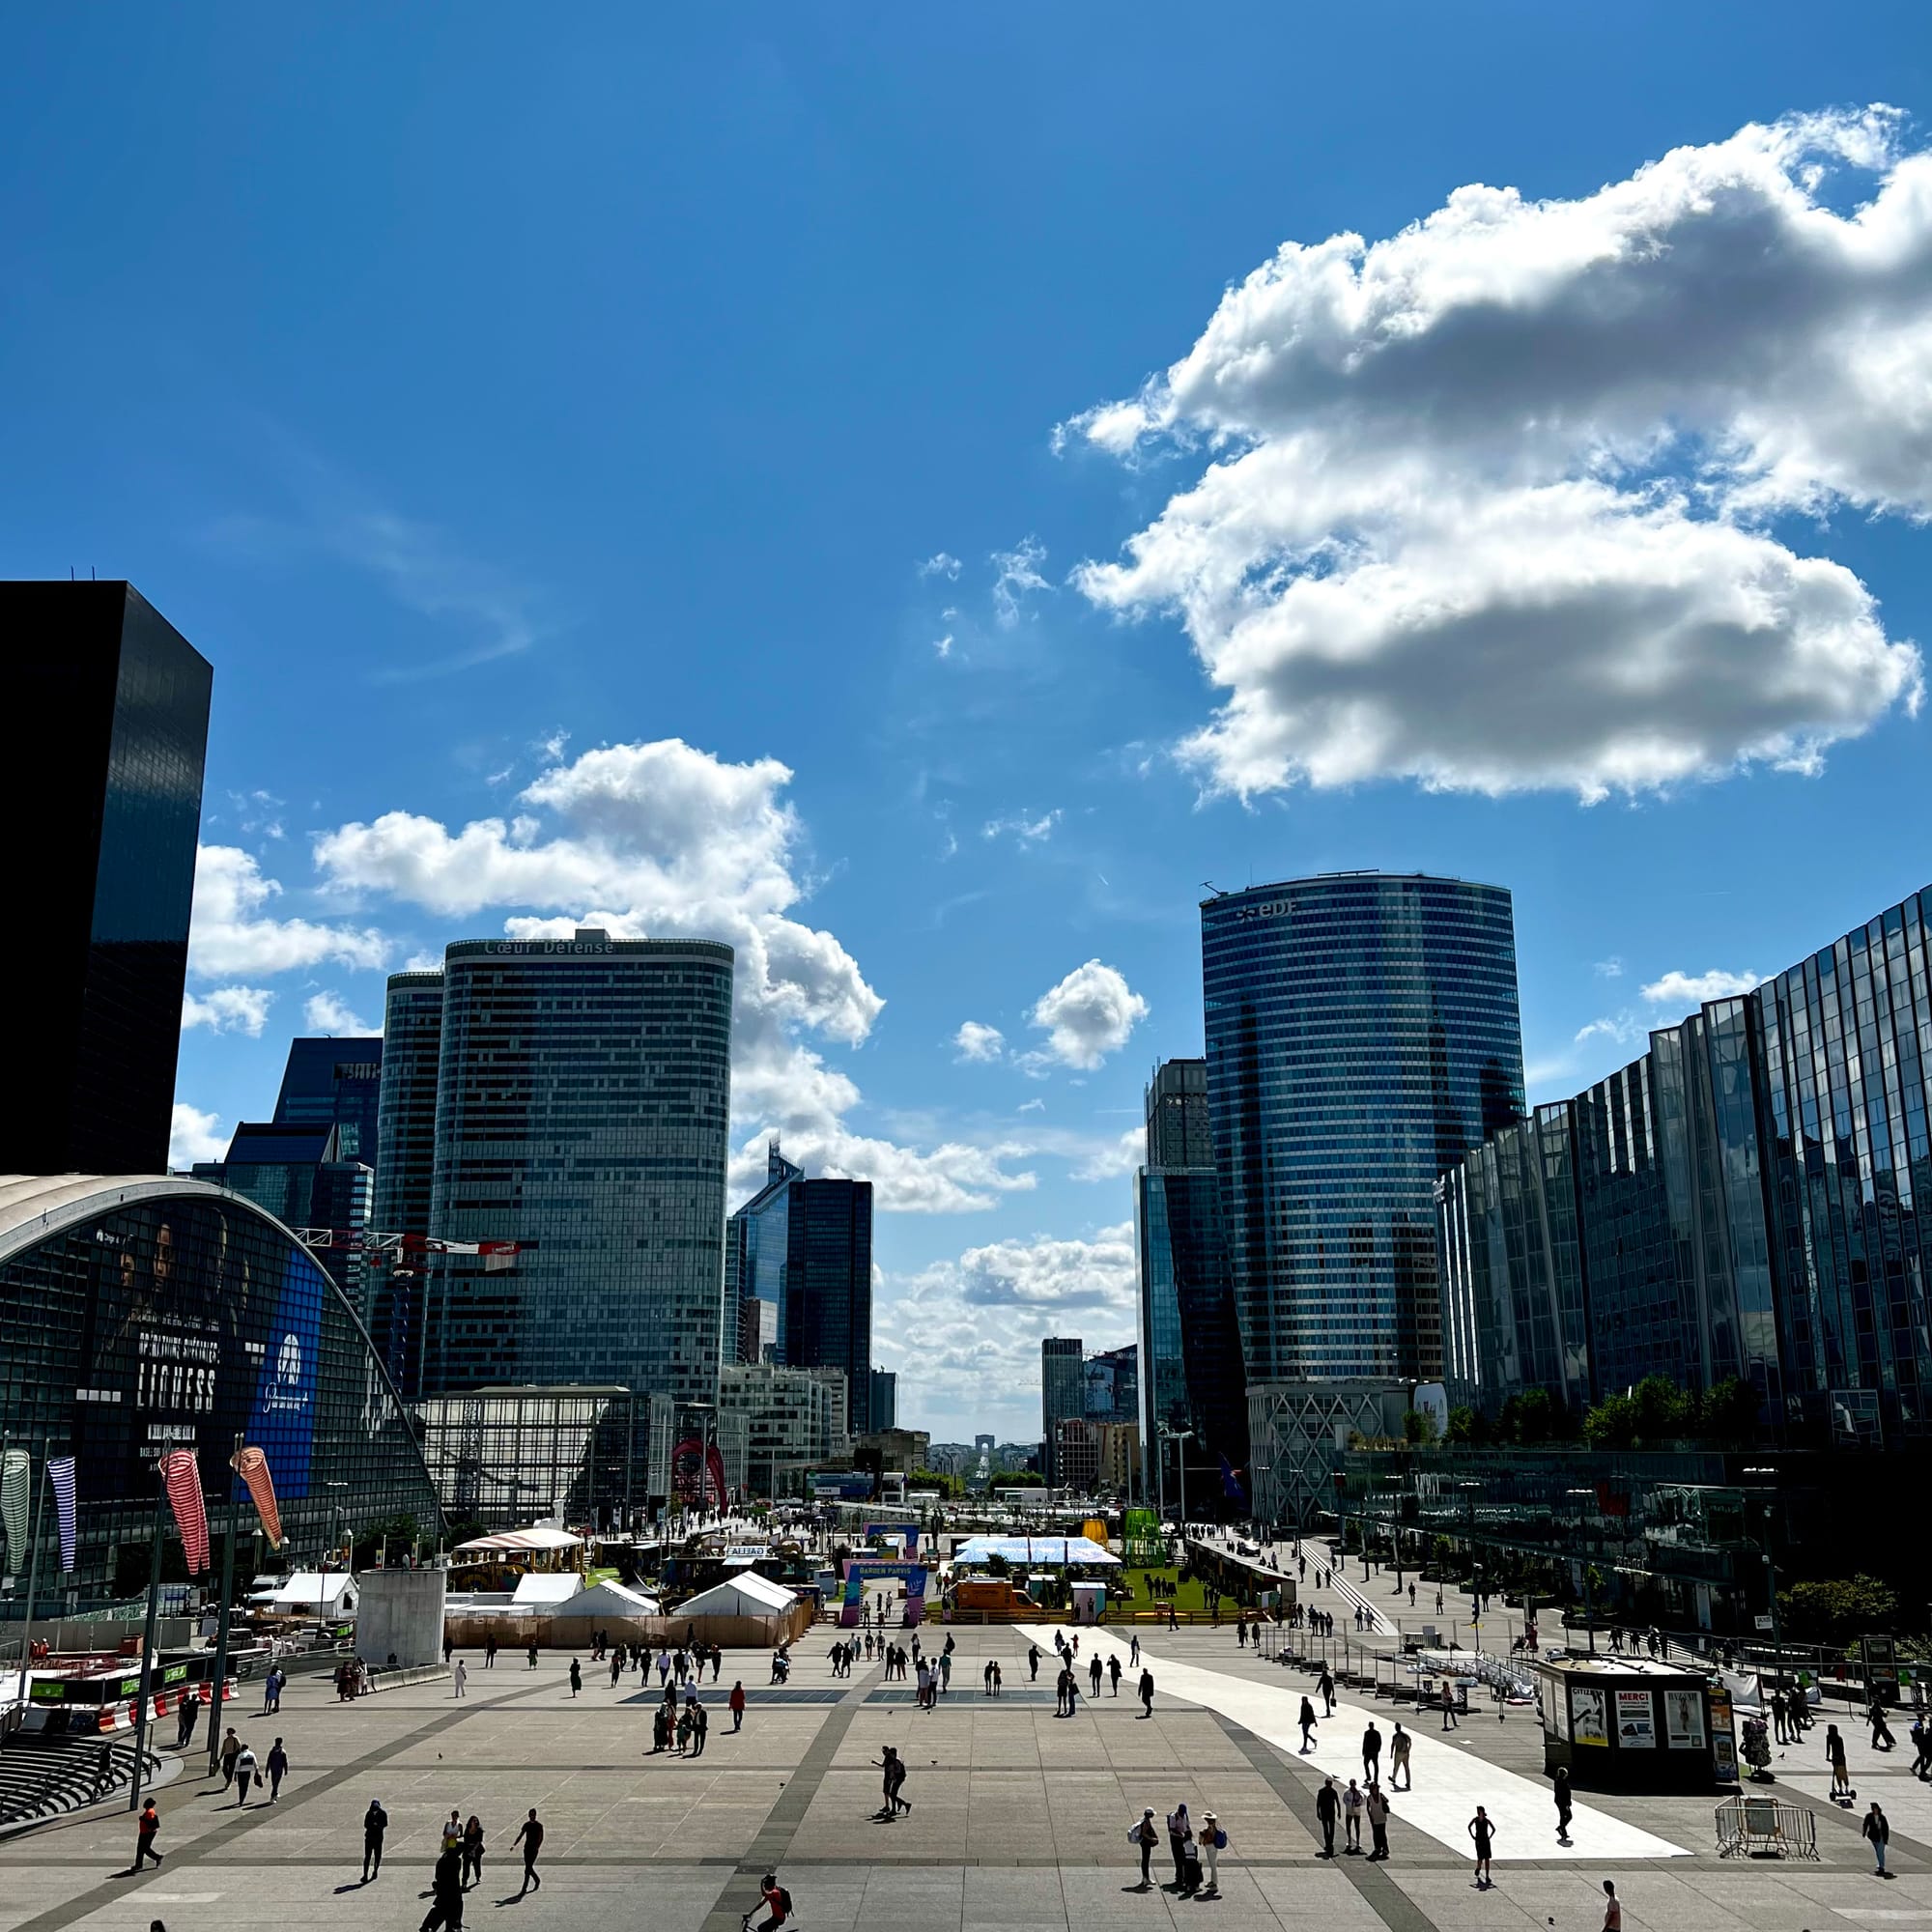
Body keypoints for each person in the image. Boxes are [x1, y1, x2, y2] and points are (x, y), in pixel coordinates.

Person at [420, 1841, 464, 1932]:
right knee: (449, 1910)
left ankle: (427, 1926)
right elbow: (454, 1877)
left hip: (442, 1888)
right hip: (452, 1890)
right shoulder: (456, 1860)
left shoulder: (443, 1859)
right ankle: (449, 1927)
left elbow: (438, 1875)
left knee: (440, 1909)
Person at [513, 1808, 544, 1893]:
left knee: (528, 1869)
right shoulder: (526, 1825)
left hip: (534, 1849)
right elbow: (521, 1835)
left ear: (535, 1815)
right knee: (528, 1868)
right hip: (527, 1849)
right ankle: (537, 1880)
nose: (532, 1816)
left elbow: (541, 1837)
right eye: (530, 1815)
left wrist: (537, 1846)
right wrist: (514, 1844)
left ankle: (524, 1888)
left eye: (533, 1815)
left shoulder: (539, 1826)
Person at [1129, 1808, 1159, 1889]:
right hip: (1145, 1843)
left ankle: (1146, 1878)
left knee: (1145, 1860)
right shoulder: (1146, 1822)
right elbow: (1144, 1833)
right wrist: (1151, 1839)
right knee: (1146, 1860)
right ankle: (1145, 1878)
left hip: (1144, 1843)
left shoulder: (1144, 1820)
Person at [1201, 1809, 1227, 1894]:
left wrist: (1204, 1834)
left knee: (1213, 1866)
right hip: (1212, 1847)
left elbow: (1210, 1836)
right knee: (1212, 1865)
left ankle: (1214, 1883)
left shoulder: (1211, 1827)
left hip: (1211, 1847)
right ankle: (1212, 1881)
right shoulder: (1213, 1826)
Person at [1468, 1804, 1494, 1887]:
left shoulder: (1487, 1820)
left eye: (1480, 1811)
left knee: (1487, 1858)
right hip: (1479, 1840)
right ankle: (1478, 1867)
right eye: (1478, 1811)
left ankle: (1487, 1875)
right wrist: (1472, 1836)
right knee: (1480, 1857)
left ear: (1482, 1811)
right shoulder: (1475, 1819)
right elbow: (1469, 1826)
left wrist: (1490, 1836)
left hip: (1485, 1840)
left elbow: (1493, 1829)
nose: (1479, 1812)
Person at [1166, 1802, 1191, 1887]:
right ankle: (1178, 1877)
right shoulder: (1174, 1817)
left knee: (1184, 1858)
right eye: (1181, 1812)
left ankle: (1183, 1876)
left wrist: (1188, 1836)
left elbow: (1187, 1826)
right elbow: (1172, 1829)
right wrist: (1181, 1834)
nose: (1182, 1814)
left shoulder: (1185, 1815)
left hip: (1183, 1838)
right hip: (1175, 1839)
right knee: (1177, 1858)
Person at [362, 1799, 388, 1881]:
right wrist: (372, 1825)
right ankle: (365, 1875)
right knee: (367, 1857)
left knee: (377, 1856)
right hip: (369, 1838)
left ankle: (375, 1871)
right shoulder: (369, 1813)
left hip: (378, 1838)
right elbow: (366, 1824)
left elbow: (385, 1824)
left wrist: (377, 1825)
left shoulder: (382, 1813)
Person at [133, 1797, 163, 1869]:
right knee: (141, 1849)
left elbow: (149, 1822)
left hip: (147, 1833)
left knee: (144, 1849)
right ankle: (139, 1865)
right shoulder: (150, 1811)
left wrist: (142, 1819)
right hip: (145, 1832)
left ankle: (157, 1857)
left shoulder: (149, 1812)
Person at [1315, 1777, 1339, 1858]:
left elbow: (1337, 1802)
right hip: (1325, 1813)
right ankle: (1328, 1843)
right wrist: (1318, 1812)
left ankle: (1330, 1842)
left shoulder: (1333, 1792)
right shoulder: (1321, 1792)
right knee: (1326, 1829)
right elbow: (1318, 1803)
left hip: (1331, 1813)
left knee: (1331, 1829)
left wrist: (1339, 1812)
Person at [1365, 1782, 1390, 1861]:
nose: (1375, 1790)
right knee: (1376, 1834)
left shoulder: (1381, 1795)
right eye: (1374, 1789)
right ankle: (1377, 1848)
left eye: (1376, 1788)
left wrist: (1384, 1800)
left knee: (1382, 1833)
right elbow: (1368, 1808)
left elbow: (1387, 1800)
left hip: (1382, 1817)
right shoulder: (1369, 1798)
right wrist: (1370, 1817)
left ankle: (1385, 1849)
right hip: (1374, 1818)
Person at [1865, 1801, 1890, 1876]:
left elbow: (1886, 1828)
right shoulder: (1869, 1816)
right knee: (1878, 1851)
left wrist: (1886, 1838)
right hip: (1874, 1837)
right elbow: (1865, 1824)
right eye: (1873, 1809)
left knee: (1880, 1852)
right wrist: (1864, 1832)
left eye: (1876, 1809)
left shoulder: (1882, 1818)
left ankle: (1881, 1866)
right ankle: (1880, 1865)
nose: (1874, 1810)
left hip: (1881, 1837)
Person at [1828, 1722, 1852, 1799]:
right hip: (1839, 1758)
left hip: (1837, 1758)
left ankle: (1843, 1787)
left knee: (1839, 1773)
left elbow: (1829, 1747)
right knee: (1841, 1773)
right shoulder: (1837, 1738)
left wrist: (1828, 1756)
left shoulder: (1830, 1737)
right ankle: (1844, 1787)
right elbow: (1841, 1748)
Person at [461, 1814, 486, 1889]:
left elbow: (479, 1841)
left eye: (476, 1821)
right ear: (470, 1822)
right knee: (466, 1867)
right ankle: (464, 1882)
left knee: (477, 1865)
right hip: (467, 1849)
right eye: (474, 1821)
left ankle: (478, 1877)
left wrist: (473, 1850)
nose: (475, 1822)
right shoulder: (467, 1829)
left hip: (476, 1850)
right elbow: (465, 1840)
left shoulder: (479, 1830)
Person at [1343, 1778, 1364, 1854]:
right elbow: (1344, 1800)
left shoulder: (1359, 1791)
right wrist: (1351, 1804)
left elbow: (1362, 1799)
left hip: (1357, 1810)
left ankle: (1358, 1842)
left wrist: (1358, 1802)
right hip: (1349, 1811)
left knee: (1357, 1826)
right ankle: (1349, 1840)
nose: (1352, 1786)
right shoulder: (1347, 1792)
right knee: (1348, 1826)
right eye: (1351, 1784)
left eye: (1353, 1784)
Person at [233, 1741, 259, 1805]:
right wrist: (256, 1771)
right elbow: (255, 1763)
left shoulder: (240, 1755)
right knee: (245, 1786)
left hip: (240, 1773)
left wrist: (235, 1775)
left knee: (240, 1786)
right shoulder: (252, 1754)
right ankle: (242, 1798)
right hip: (247, 1772)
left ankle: (240, 1798)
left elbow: (237, 1765)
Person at [1553, 1764, 1573, 1843]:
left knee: (1563, 1815)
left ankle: (1562, 1829)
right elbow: (1565, 1793)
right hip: (1563, 1802)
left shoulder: (1558, 1781)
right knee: (1568, 1816)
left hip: (1559, 1801)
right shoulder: (1562, 1782)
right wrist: (1567, 1803)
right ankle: (1561, 1828)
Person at [1389, 1720, 1411, 1790]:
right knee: (1407, 1768)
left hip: (1399, 1752)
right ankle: (1408, 1782)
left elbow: (1393, 1745)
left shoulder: (1395, 1736)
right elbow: (1410, 1742)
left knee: (1396, 1766)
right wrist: (1408, 1749)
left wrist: (1391, 1753)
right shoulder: (1405, 1735)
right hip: (1405, 1753)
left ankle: (1393, 1778)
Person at [266, 1737, 289, 1804]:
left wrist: (267, 1771)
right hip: (278, 1770)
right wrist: (286, 1770)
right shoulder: (282, 1752)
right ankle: (274, 1795)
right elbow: (285, 1762)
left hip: (275, 1769)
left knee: (275, 1783)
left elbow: (268, 1762)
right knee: (275, 1783)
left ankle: (274, 1795)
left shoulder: (272, 1751)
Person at [1363, 1719, 1382, 1784]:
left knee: (1367, 1764)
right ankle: (1375, 1778)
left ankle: (1369, 1777)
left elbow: (1365, 1742)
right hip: (1373, 1752)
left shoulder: (1367, 1733)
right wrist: (1378, 1749)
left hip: (1369, 1752)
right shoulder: (1377, 1733)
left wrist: (1363, 1750)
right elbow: (1380, 1742)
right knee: (1375, 1766)